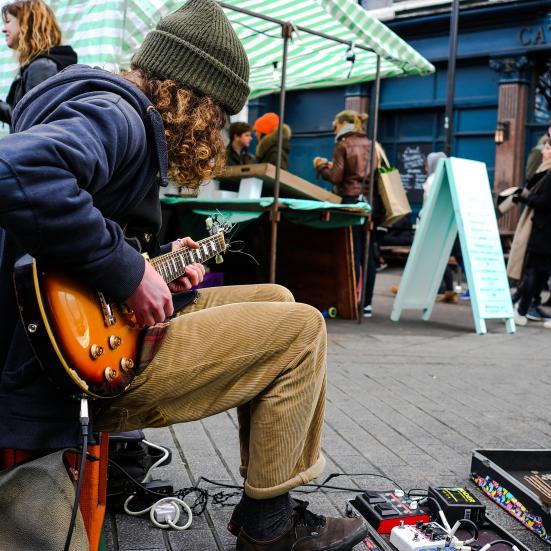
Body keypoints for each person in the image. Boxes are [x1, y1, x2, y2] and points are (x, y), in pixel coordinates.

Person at [0, 2, 368, 550]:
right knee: (302, 329)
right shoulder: (120, 115)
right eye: (218, 115)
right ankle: (270, 531)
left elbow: (79, 229)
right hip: (57, 370)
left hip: (69, 338)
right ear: (191, 94)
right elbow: (18, 169)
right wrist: (128, 273)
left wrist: (158, 262)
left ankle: (268, 507)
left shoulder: (103, 107)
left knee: (278, 297)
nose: (216, 133)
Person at [314, 109, 379, 317]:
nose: (335, 129)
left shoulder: (343, 144)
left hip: (349, 202)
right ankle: (366, 303)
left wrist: (321, 166)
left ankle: (350, 301)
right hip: (368, 201)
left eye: (335, 125)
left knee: (351, 252)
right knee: (367, 254)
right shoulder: (371, 144)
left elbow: (335, 177)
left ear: (343, 124)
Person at [0, 0, 77, 129]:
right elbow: (25, 115)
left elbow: (34, 123)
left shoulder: (41, 67)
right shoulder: (42, 64)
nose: (3, 29)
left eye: (8, 21)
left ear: (26, 24)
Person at [513, 138, 551, 328]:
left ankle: (521, 311)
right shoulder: (545, 173)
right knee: (540, 274)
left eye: (547, 148)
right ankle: (521, 305)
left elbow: (544, 203)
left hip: (544, 233)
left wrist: (527, 197)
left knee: (532, 272)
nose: (543, 151)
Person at [222, 121, 255, 191]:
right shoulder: (223, 156)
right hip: (227, 193)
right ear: (236, 137)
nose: (250, 138)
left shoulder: (250, 158)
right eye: (247, 135)